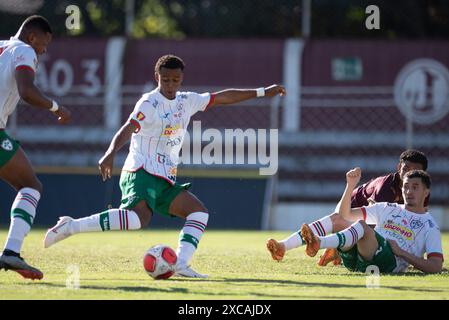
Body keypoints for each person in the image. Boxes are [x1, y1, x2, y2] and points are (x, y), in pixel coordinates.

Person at [44, 54, 286, 278]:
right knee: (138, 220)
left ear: (182, 79)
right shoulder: (149, 103)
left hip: (164, 176)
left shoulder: (187, 101)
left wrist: (263, 92)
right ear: (156, 77)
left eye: (176, 80)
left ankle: (180, 264)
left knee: (199, 213)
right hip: (140, 170)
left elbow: (223, 97)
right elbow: (128, 127)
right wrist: (110, 153)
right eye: (166, 79)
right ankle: (71, 226)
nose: (171, 84)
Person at [266, 149, 429, 266]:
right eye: (406, 169)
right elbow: (375, 226)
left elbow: (417, 227)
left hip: (365, 229)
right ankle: (286, 246)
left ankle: (334, 248)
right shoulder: (384, 189)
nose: (410, 174)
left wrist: (420, 261)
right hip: (351, 212)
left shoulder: (421, 192)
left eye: (416, 171)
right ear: (398, 167)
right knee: (339, 220)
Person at [0, 16, 71, 280]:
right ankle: (11, 252)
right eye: (44, 43)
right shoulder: (24, 50)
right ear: (32, 37)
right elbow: (27, 91)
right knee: (31, 186)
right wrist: (56, 107)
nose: (44, 50)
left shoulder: (2, 46)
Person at [275, 168, 443, 274]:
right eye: (406, 186)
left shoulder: (429, 226)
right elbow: (344, 214)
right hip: (360, 261)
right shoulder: (387, 207)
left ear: (426, 192)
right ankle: (306, 244)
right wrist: (350, 185)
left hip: (388, 264)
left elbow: (435, 266)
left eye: (415, 187)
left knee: (362, 226)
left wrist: (402, 253)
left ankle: (320, 242)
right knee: (341, 222)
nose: (408, 191)